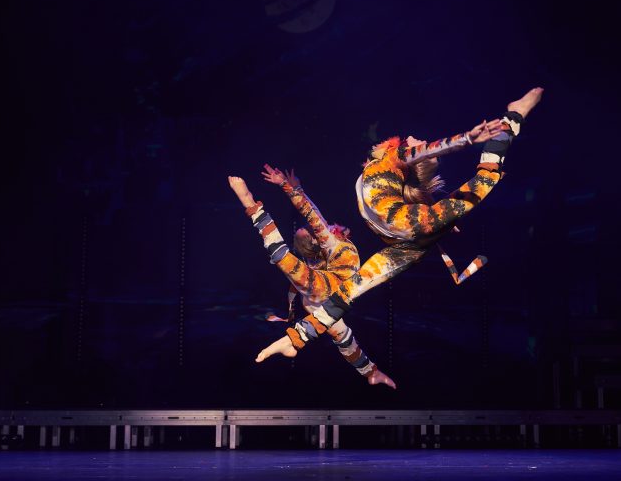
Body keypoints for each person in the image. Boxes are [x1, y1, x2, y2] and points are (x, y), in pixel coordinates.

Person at [255, 87, 544, 362]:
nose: (412, 137)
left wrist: (466, 138)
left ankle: (513, 116)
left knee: (483, 182)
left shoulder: (395, 160)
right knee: (349, 291)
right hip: (403, 241)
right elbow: (421, 160)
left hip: (406, 226)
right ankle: (296, 339)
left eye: (415, 141)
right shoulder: (385, 167)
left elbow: (422, 152)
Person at [228, 167, 396, 388]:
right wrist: (287, 187)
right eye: (314, 231)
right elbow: (311, 213)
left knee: (344, 337)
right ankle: (250, 203)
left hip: (323, 300)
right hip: (327, 290)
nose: (323, 227)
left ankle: (370, 372)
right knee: (282, 257)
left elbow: (314, 214)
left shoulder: (329, 247)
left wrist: (293, 188)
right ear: (317, 240)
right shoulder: (332, 242)